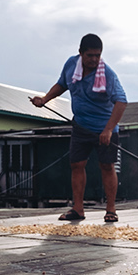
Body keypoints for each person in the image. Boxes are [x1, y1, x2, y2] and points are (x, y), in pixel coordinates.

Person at [30, 33, 128, 222]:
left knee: (107, 166)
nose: (94, 59)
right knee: (76, 165)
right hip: (81, 125)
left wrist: (108, 130)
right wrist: (44, 100)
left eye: (97, 55)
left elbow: (121, 101)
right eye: (90, 55)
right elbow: (62, 84)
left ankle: (111, 210)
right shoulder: (70, 65)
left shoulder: (107, 73)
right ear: (80, 53)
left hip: (105, 128)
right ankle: (78, 209)